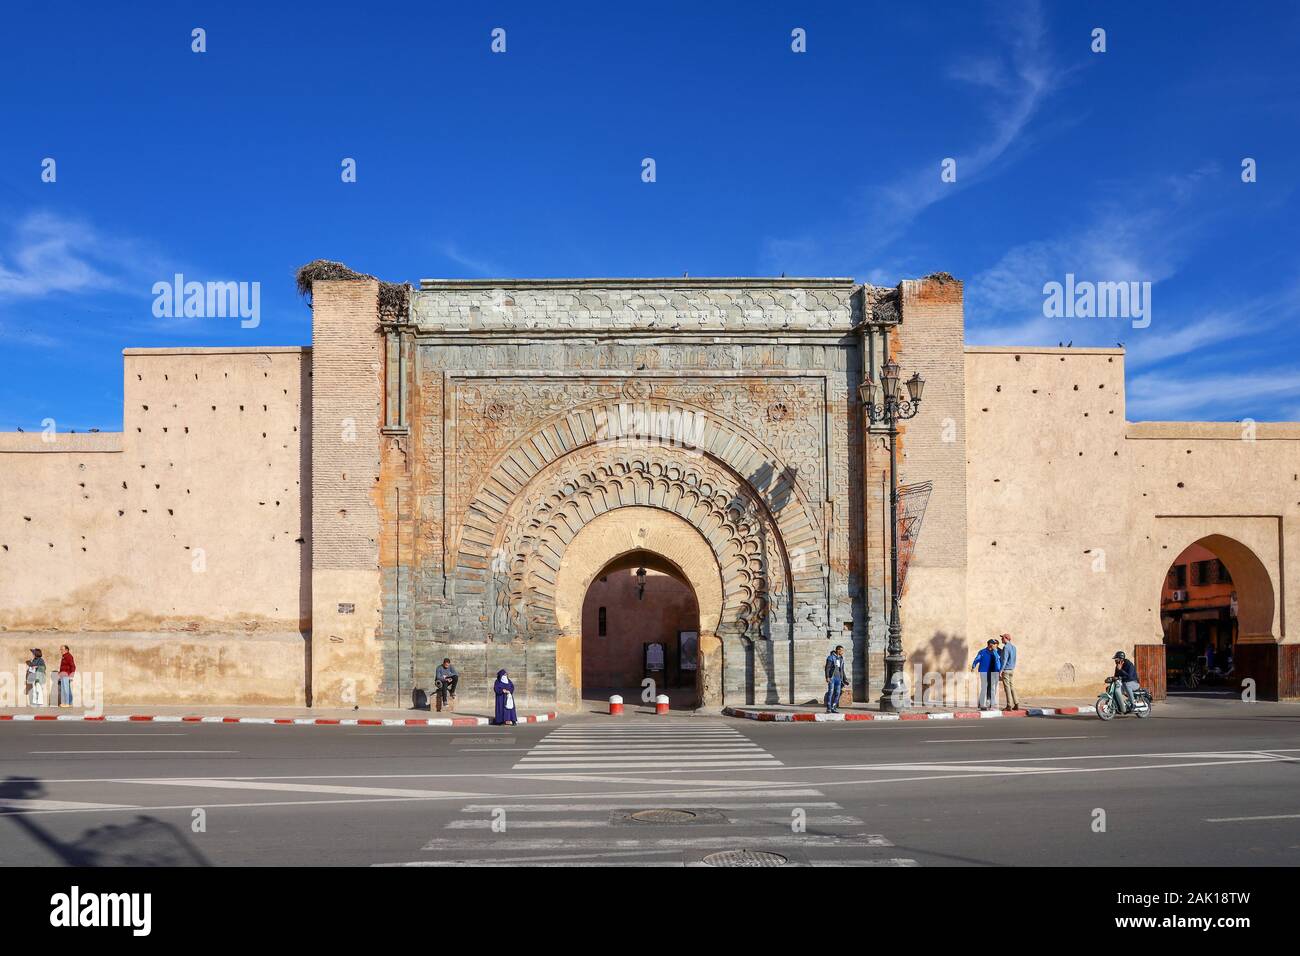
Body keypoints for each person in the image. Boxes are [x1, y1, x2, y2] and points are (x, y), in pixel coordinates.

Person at [970, 639, 1003, 710]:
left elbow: (998, 659)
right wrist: (973, 666)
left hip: (994, 672)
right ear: (990, 644)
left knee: (993, 688)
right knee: (984, 687)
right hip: (984, 672)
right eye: (994, 644)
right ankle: (981, 704)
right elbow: (977, 659)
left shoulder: (997, 652)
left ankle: (991, 704)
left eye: (995, 644)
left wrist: (995, 651)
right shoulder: (982, 651)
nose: (995, 645)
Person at [824, 645, 848, 714]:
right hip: (832, 678)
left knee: (837, 693)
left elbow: (842, 670)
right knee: (831, 692)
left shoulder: (841, 659)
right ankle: (828, 708)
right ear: (838, 650)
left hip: (839, 678)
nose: (842, 652)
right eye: (841, 650)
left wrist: (845, 679)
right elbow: (827, 668)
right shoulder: (831, 657)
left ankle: (833, 707)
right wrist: (827, 677)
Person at [998, 633, 1019, 711]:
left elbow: (1004, 659)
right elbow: (1012, 658)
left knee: (1007, 688)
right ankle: (1016, 703)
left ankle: (1009, 705)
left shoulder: (1006, 647)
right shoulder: (1014, 647)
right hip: (1011, 669)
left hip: (1006, 669)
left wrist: (1001, 670)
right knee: (1012, 687)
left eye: (1002, 638)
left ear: (1006, 638)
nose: (1001, 639)